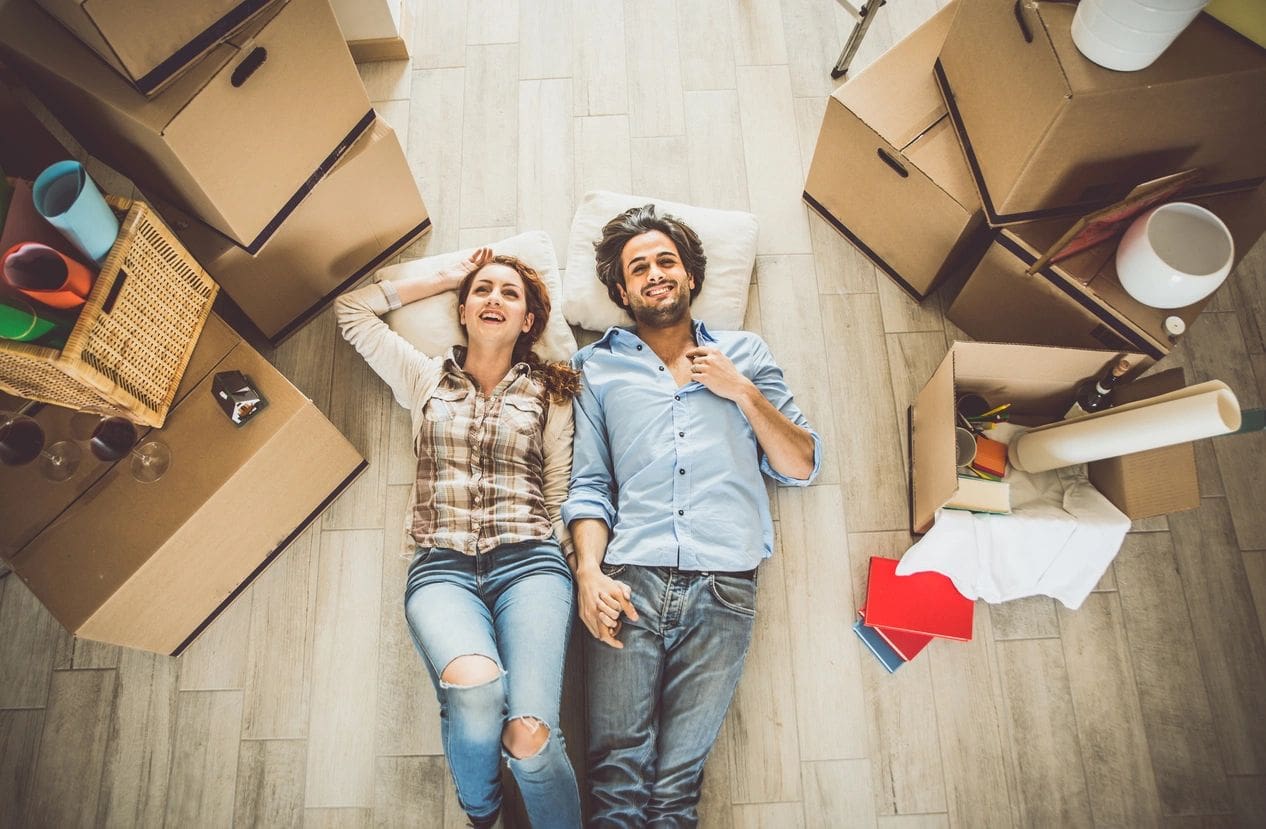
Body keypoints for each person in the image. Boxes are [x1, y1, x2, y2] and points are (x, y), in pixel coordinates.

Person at [562, 205, 823, 825]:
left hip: (726, 588)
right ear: (622, 290)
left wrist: (743, 391)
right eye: (639, 267)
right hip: (629, 581)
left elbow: (801, 465)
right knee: (616, 778)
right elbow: (591, 484)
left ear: (690, 276)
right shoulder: (596, 368)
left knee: (677, 785)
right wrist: (588, 574)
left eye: (666, 261)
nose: (655, 273)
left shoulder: (745, 353)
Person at [336, 248, 583, 828]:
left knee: (530, 736)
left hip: (532, 566)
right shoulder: (423, 376)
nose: (493, 298)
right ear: (464, 312)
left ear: (528, 321)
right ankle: (483, 809)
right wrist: (449, 277)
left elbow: (557, 488)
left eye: (509, 293)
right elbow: (352, 312)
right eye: (482, 291)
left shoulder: (552, 393)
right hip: (441, 569)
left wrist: (577, 568)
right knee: (473, 692)